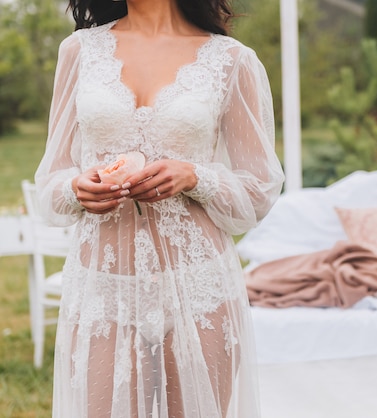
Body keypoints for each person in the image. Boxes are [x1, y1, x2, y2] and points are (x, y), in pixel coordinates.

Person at [34, 0, 284, 416]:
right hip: (102, 286)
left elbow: (258, 189)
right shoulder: (79, 51)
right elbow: (51, 178)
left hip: (199, 284)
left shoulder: (232, 61)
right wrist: (76, 188)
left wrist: (195, 177)